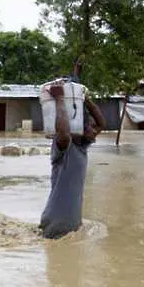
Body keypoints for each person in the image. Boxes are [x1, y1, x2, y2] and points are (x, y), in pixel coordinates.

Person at [39, 80, 107, 239]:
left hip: (71, 224)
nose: (94, 129)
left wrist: (85, 98)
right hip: (56, 224)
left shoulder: (83, 146)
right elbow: (63, 132)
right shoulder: (63, 147)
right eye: (89, 126)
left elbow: (102, 123)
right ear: (79, 130)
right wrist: (60, 99)